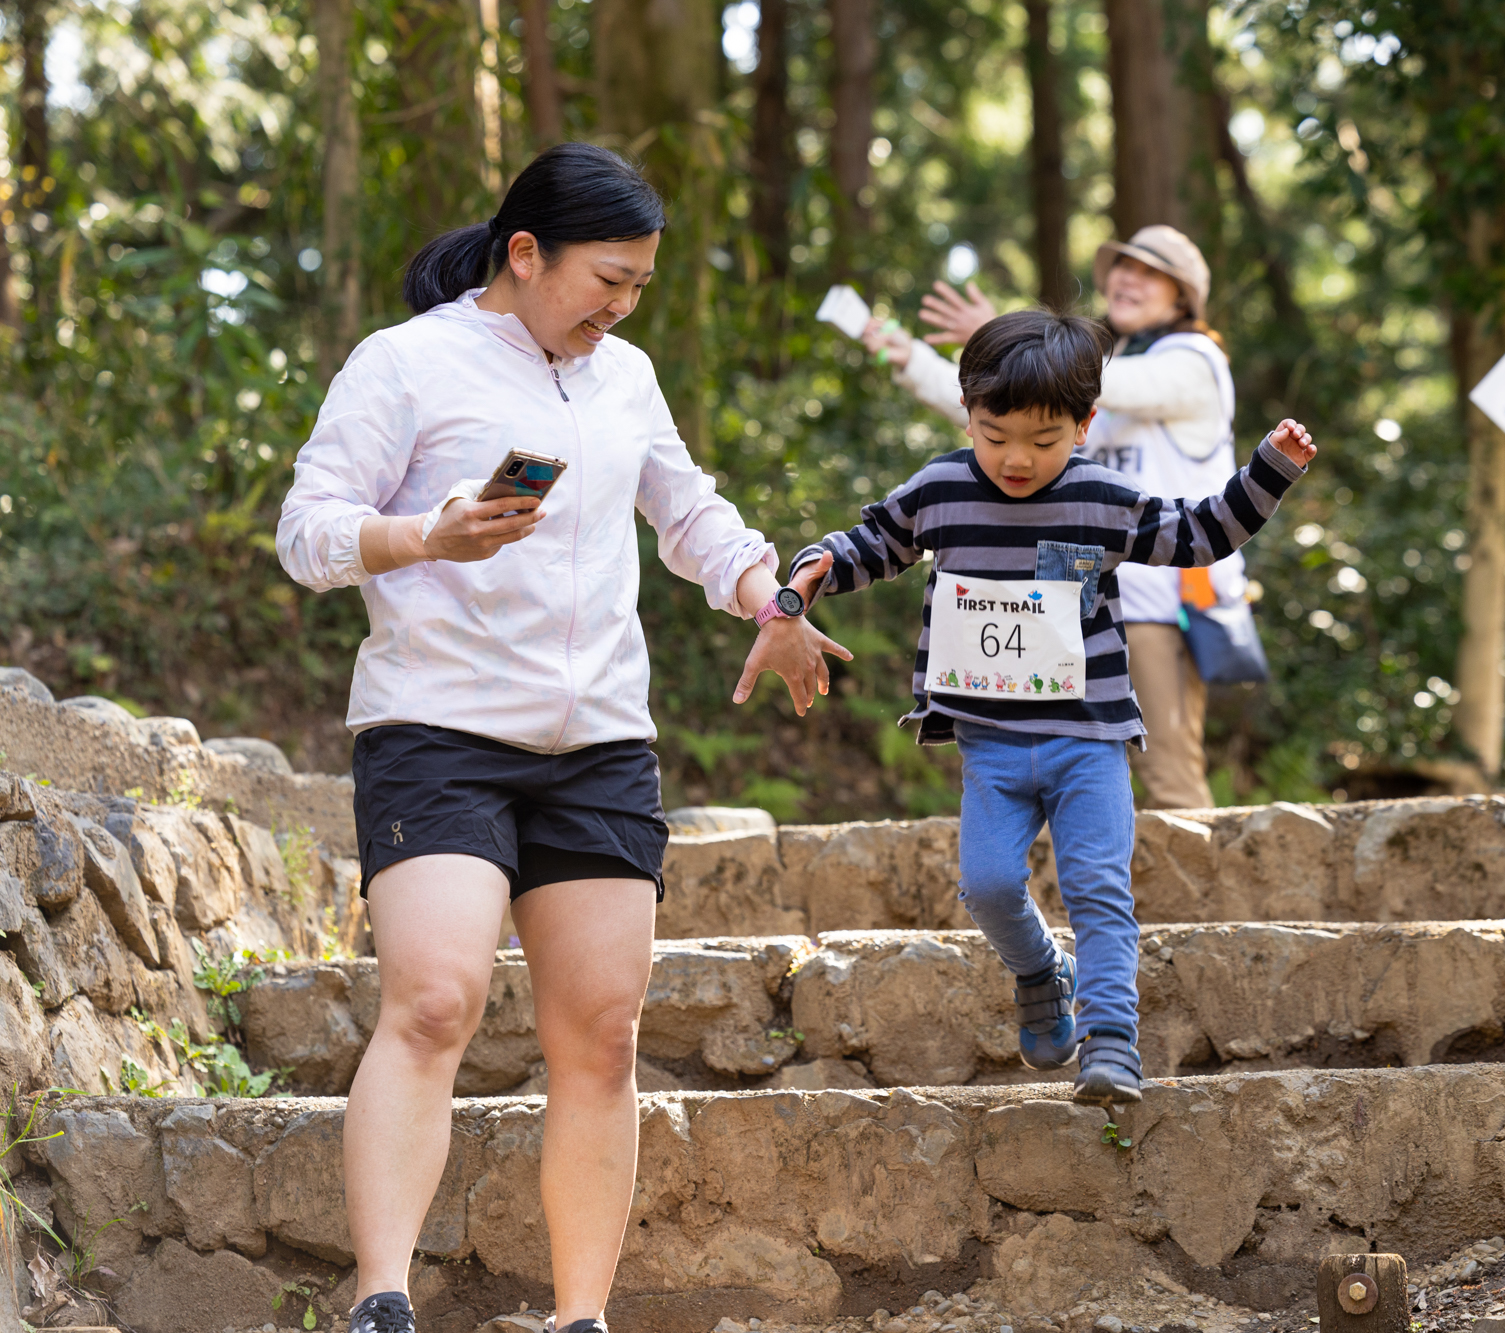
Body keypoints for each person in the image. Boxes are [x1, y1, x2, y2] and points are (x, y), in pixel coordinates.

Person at [276, 143, 847, 1333]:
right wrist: (425, 536)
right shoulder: (406, 362)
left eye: (639, 285)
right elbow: (309, 530)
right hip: (437, 727)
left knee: (602, 1034)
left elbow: (690, 513)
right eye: (608, 279)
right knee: (434, 1001)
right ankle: (382, 1299)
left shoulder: (624, 377)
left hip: (597, 743)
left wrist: (772, 603)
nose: (622, 306)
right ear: (525, 253)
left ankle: (580, 1316)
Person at [784, 309, 1314, 1103]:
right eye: (995, 436)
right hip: (990, 740)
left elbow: (1200, 534)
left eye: (1044, 439)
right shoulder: (941, 489)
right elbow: (873, 543)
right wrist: (812, 570)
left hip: (1087, 736)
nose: (1017, 458)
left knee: (1098, 888)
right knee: (989, 884)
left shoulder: (1101, 497)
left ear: (1085, 424)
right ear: (968, 413)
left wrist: (1269, 468)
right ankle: (1041, 970)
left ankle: (1113, 1043)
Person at [864, 226, 1238, 811]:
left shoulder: (1194, 361)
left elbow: (1073, 383)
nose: (1129, 279)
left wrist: (1013, 343)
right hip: (1071, 592)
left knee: (1167, 771)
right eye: (1124, 267)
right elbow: (1004, 411)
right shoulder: (1101, 375)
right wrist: (909, 356)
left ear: (1184, 296)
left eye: (1151, 273)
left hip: (1160, 596)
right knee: (1065, 769)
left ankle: (1197, 875)